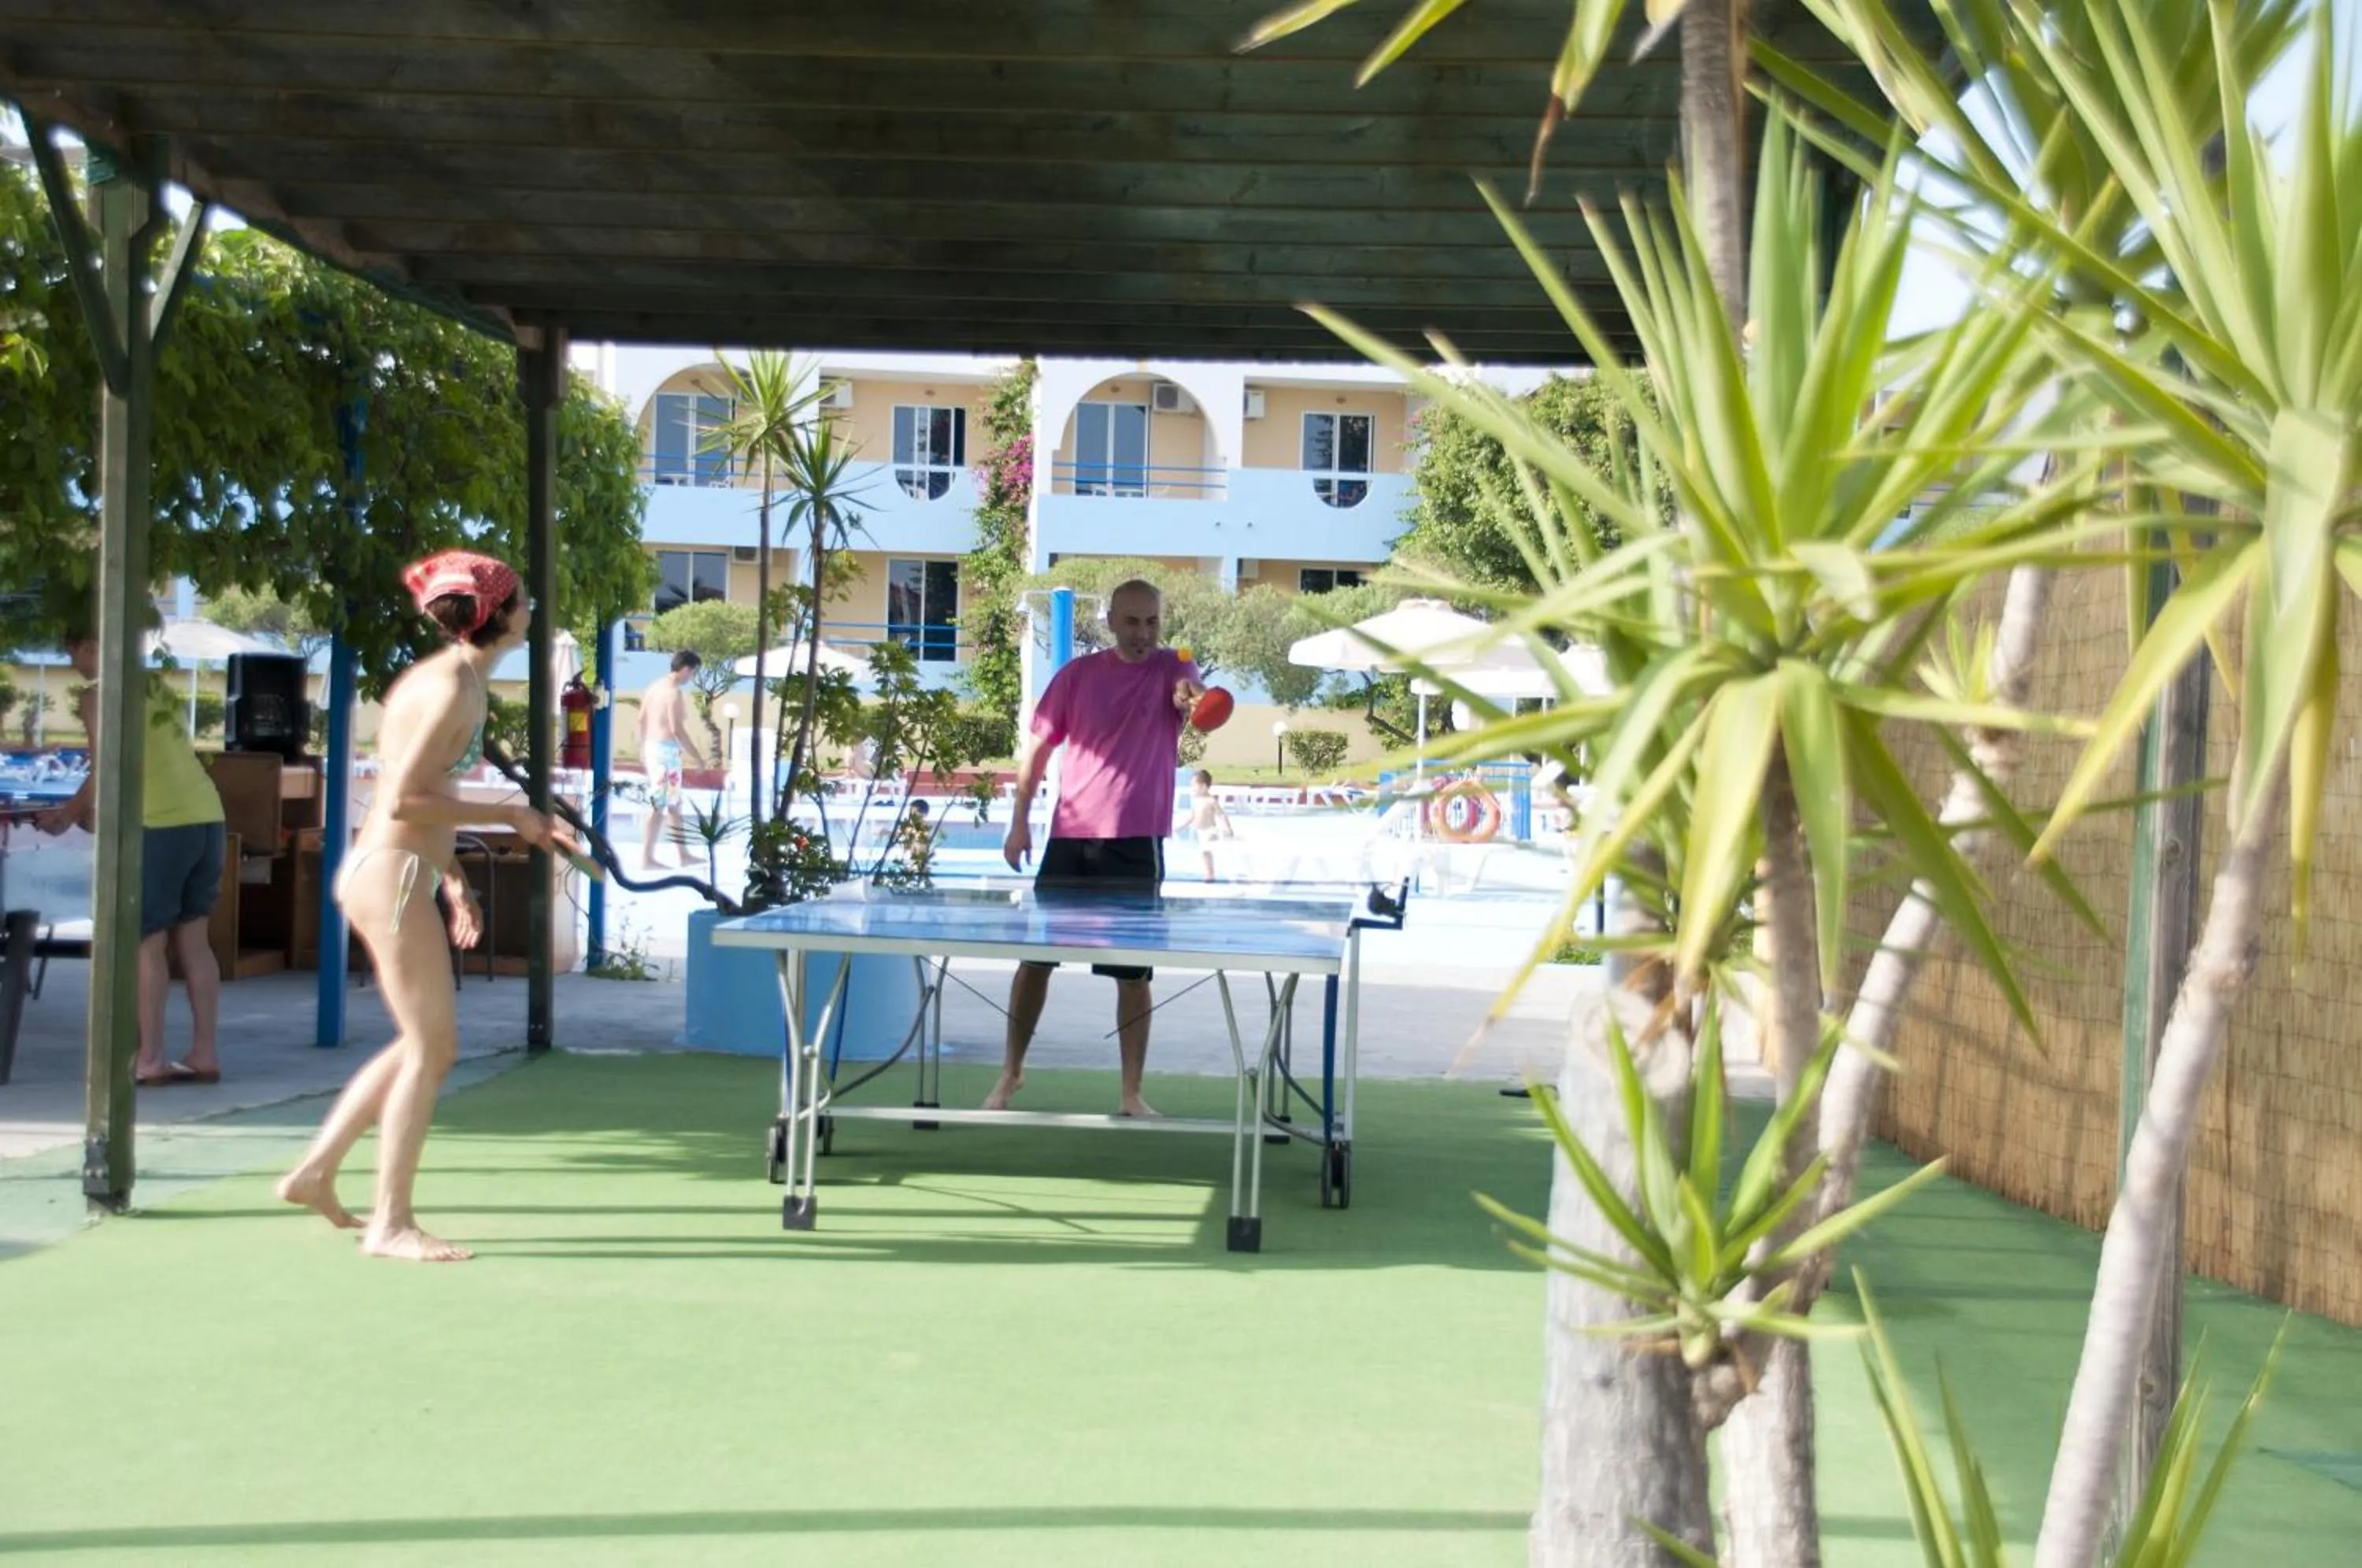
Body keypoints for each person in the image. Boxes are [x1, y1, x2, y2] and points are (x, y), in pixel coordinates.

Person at [276, 551, 576, 1263]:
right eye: (524, 599)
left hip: (402, 870)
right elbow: (404, 797)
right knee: (434, 1049)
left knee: (421, 1044)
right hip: (391, 873)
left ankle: (316, 1173)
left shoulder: (458, 680)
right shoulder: (450, 688)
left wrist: (454, 882)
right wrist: (514, 812)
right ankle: (390, 1224)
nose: (531, 608)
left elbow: (425, 804)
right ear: (499, 615)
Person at [992, 579, 1203, 1118]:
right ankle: (1011, 1072)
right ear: (1109, 621)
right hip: (1069, 839)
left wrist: (1190, 699)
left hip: (1136, 844)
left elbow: (1189, 696)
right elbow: (1037, 753)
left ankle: (1131, 1092)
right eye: (1132, 622)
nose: (1143, 633)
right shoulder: (1076, 677)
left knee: (1132, 975)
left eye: (1152, 621)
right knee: (1034, 964)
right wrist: (1019, 824)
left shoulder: (1174, 668)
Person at [39, 612, 227, 1089]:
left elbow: (108, 765)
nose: (72, 662)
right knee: (196, 942)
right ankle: (204, 1053)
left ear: (90, 646)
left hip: (159, 823)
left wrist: (66, 813)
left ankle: (151, 1057)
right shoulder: (154, 686)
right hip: (206, 816)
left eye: (72, 651)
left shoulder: (99, 694)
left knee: (149, 944)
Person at [637, 649, 706, 870]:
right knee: (659, 804)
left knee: (674, 805)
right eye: (693, 673)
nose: (691, 678)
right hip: (665, 752)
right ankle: (647, 858)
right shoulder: (673, 693)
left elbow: (641, 719)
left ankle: (683, 854)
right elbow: (677, 729)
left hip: (653, 748)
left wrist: (643, 748)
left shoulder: (654, 687)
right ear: (686, 669)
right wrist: (697, 757)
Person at [1181, 768, 1236, 882]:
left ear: (1204, 786)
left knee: (1206, 851)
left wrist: (1228, 828)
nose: (1192, 789)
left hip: (1210, 830)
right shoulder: (1196, 800)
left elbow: (1221, 815)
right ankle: (1208, 872)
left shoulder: (1211, 801)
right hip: (1199, 831)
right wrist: (1180, 827)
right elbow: (1191, 817)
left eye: (1194, 785)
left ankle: (1210, 874)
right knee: (1204, 853)